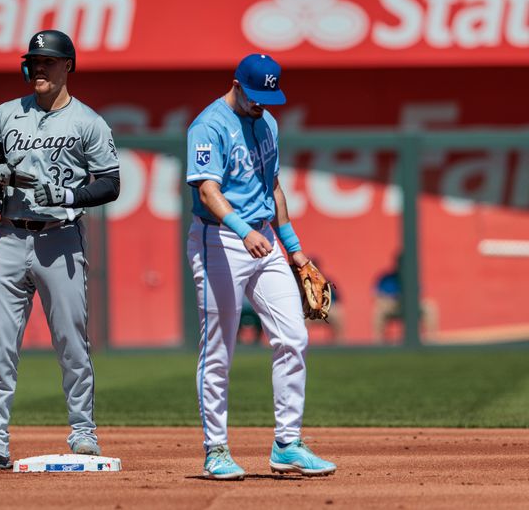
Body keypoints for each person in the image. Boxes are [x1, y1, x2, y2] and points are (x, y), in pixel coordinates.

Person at [0, 29, 121, 471]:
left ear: (68, 65)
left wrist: (68, 196)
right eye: (34, 61)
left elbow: (110, 183)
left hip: (60, 239)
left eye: (48, 61)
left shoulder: (88, 121)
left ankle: (83, 431)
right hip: (9, 237)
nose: (39, 68)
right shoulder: (6, 115)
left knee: (71, 340)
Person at [186, 53, 336, 480]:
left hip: (264, 239)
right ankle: (216, 449)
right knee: (218, 350)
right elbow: (209, 191)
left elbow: (273, 188)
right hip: (220, 239)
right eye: (253, 95)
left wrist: (295, 249)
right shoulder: (208, 126)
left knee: (294, 336)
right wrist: (240, 230)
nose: (260, 104)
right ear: (236, 84)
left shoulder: (268, 123)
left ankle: (287, 444)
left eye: (267, 97)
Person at [372, 253, 439, 344]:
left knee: (430, 306)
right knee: (378, 309)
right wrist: (390, 300)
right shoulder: (387, 278)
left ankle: (431, 341)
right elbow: (376, 296)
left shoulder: (413, 278)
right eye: (400, 262)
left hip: (411, 306)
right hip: (392, 307)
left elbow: (419, 295)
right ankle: (378, 343)